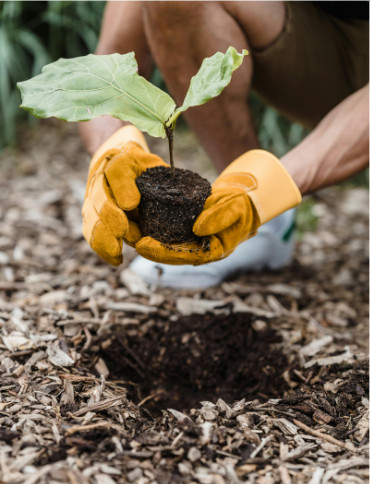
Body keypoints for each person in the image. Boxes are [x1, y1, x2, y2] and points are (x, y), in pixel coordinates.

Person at [80, 1, 369, 289]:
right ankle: (257, 228)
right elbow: (106, 71)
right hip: (316, 54)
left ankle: (256, 214)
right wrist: (112, 148)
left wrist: (266, 186)